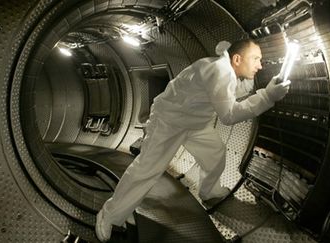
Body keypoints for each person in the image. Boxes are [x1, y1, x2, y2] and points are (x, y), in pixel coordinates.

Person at [95, 39, 290, 242]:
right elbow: (229, 115)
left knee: (215, 154)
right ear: (237, 59)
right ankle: (109, 214)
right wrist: (267, 97)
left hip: (195, 123)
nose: (260, 65)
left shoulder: (224, 69)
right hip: (169, 122)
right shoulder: (219, 71)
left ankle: (209, 192)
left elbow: (227, 93)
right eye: (256, 59)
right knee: (147, 169)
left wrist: (266, 90)